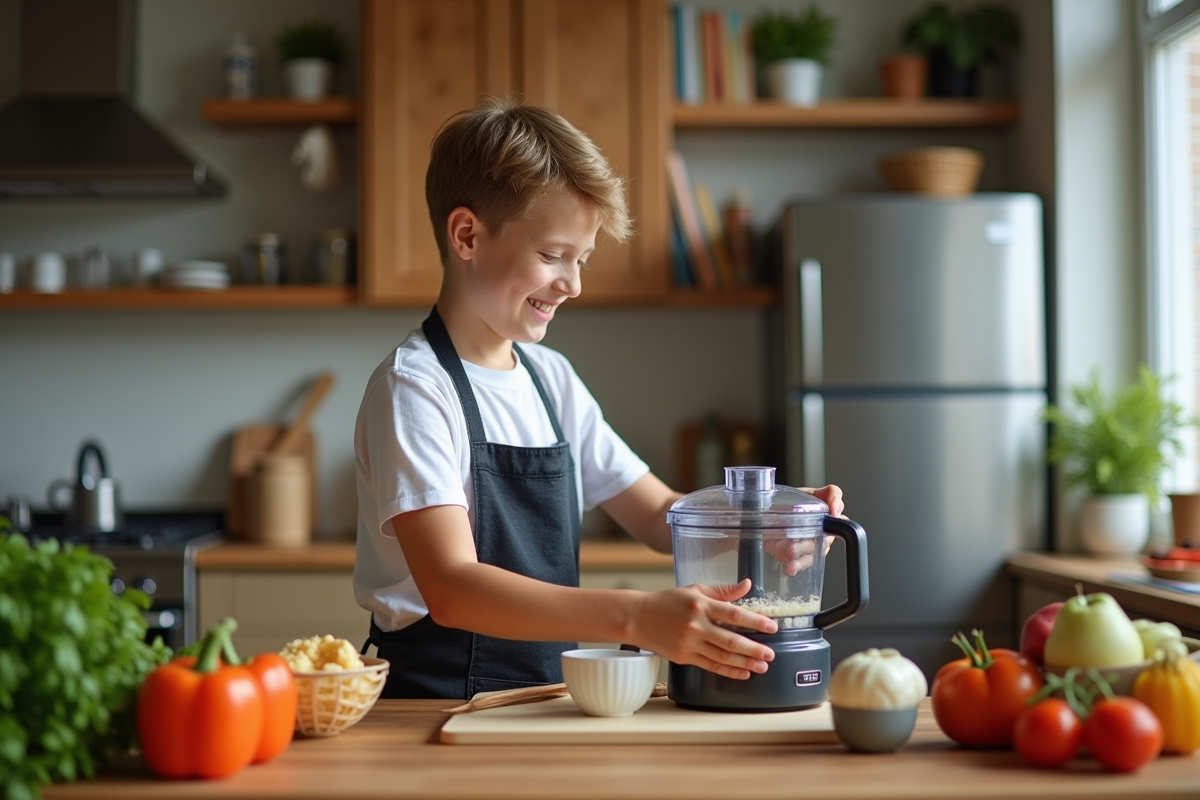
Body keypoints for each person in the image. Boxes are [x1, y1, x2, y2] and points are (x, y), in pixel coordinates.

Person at [353, 98, 845, 699]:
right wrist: (637, 617)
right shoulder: (415, 388)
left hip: (541, 700)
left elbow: (661, 514)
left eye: (581, 260)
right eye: (552, 255)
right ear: (467, 235)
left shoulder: (550, 378)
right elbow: (452, 590)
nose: (574, 284)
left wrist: (766, 526)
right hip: (433, 706)